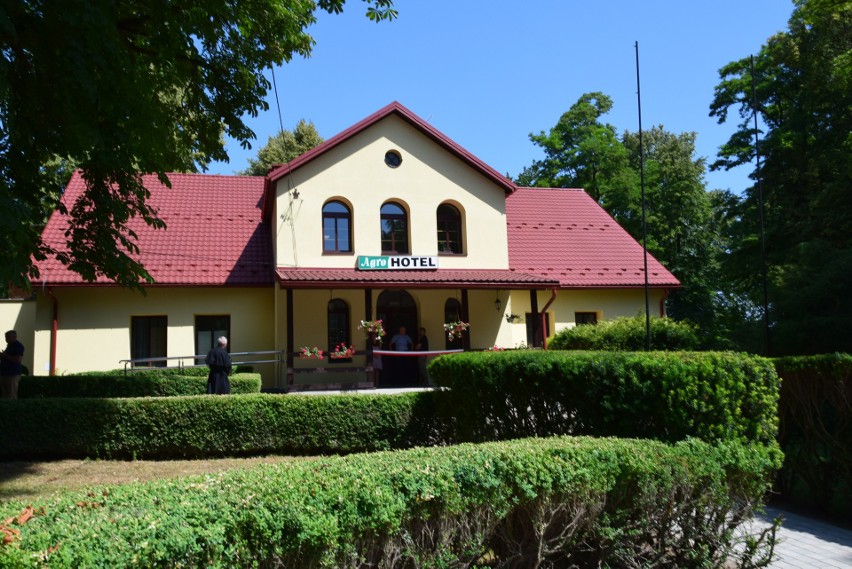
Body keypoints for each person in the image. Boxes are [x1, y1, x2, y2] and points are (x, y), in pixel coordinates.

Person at [0, 330, 25, 399]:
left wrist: (6, 356)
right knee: (5, 396)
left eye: (8, 337)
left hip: (13, 374)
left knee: (12, 395)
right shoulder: (9, 346)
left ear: (14, 337)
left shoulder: (18, 346)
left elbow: (18, 360)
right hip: (5, 374)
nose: (6, 339)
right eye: (5, 337)